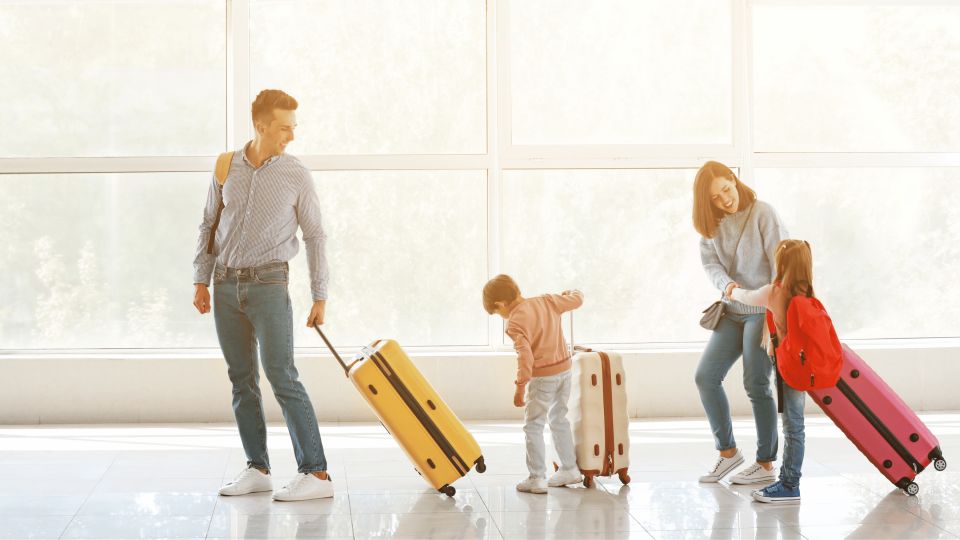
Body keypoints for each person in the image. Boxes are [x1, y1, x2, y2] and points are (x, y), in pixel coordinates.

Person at [193, 89, 333, 501]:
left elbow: (316, 235)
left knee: (282, 375)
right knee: (242, 380)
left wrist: (320, 295)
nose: (291, 135)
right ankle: (257, 468)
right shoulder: (226, 166)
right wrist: (201, 279)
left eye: (294, 127)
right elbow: (207, 224)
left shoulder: (296, 173)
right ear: (261, 125)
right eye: (285, 127)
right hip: (224, 284)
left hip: (270, 283)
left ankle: (317, 473)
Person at [692, 161, 788, 485]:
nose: (725, 200)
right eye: (716, 198)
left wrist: (776, 310)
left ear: (734, 179)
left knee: (756, 383)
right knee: (706, 377)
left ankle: (765, 463)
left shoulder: (763, 212)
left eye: (726, 190)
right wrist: (729, 287)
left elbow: (781, 261)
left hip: (762, 312)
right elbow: (711, 265)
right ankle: (728, 454)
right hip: (732, 309)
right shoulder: (711, 226)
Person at [731, 239, 817, 503]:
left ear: (781, 264)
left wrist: (731, 290)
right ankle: (788, 481)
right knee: (795, 423)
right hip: (804, 365)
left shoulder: (773, 292)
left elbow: (745, 297)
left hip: (787, 365)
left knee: (792, 425)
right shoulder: (808, 295)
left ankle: (790, 485)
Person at [483, 274, 584, 494]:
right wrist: (572, 291)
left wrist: (520, 388)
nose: (501, 317)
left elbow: (526, 358)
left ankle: (537, 477)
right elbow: (577, 300)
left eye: (497, 313)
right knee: (559, 419)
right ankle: (570, 468)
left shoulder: (515, 322)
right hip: (565, 371)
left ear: (500, 304)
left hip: (543, 378)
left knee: (533, 425)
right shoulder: (547, 301)